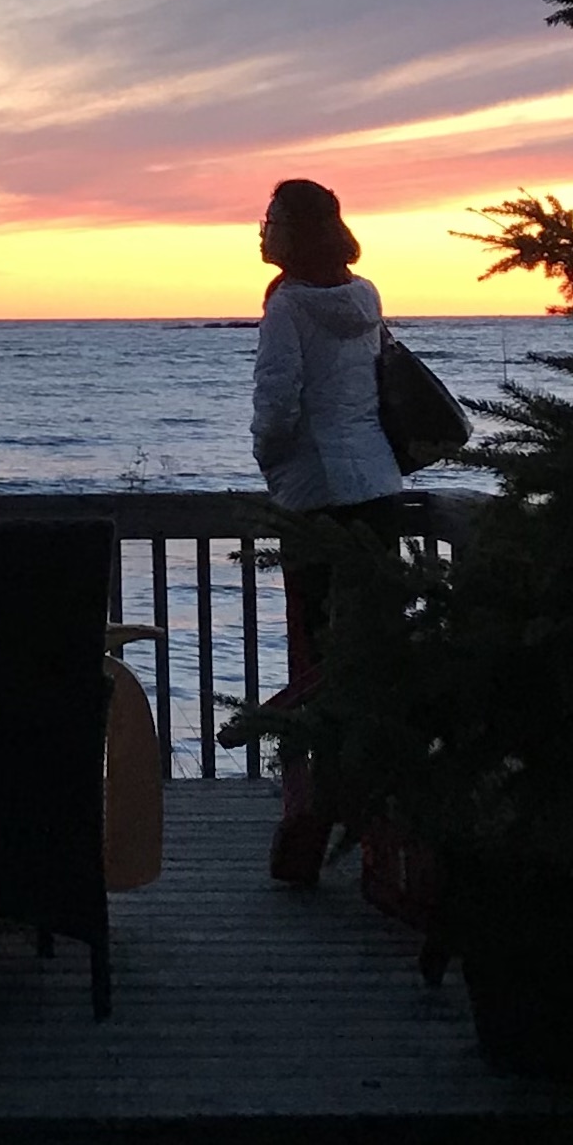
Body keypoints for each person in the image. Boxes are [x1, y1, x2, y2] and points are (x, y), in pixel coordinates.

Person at [248, 177, 404, 887]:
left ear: (297, 230)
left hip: (316, 499)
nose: (261, 228)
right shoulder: (364, 294)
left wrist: (270, 459)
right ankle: (380, 843)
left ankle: (307, 838)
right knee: (370, 666)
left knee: (314, 667)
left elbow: (278, 402)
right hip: (377, 493)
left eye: (271, 217)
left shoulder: (288, 303)